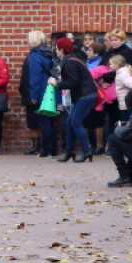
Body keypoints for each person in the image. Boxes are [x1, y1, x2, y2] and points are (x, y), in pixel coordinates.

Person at [49, 36, 97, 163]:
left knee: (75, 122)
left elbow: (73, 82)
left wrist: (57, 83)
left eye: (57, 48)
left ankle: (86, 151)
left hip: (85, 95)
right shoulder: (71, 59)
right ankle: (70, 151)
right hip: (85, 94)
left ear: (61, 49)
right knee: (70, 122)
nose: (56, 51)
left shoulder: (69, 61)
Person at [26, 30, 57, 158]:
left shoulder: (35, 55)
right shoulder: (48, 52)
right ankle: (53, 149)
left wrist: (33, 96)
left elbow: (35, 77)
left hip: (41, 90)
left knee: (43, 120)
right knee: (50, 121)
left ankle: (46, 150)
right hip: (50, 87)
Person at [109, 54, 132, 122]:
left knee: (126, 123)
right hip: (124, 103)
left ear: (117, 64)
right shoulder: (120, 73)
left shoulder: (122, 74)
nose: (109, 66)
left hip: (126, 104)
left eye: (111, 64)